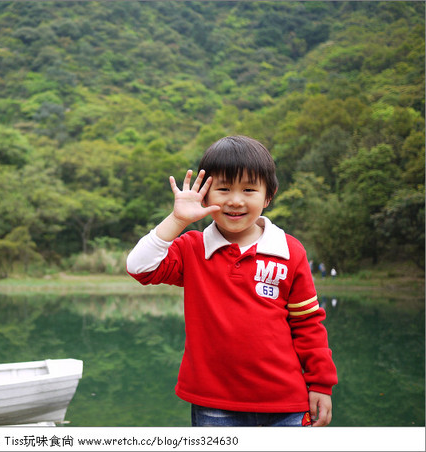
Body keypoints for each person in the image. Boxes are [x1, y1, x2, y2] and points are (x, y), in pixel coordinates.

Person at [127, 135, 337, 427]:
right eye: (223, 189)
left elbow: (308, 324)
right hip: (214, 404)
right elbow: (139, 267)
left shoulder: (290, 251)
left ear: (268, 195)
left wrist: (321, 385)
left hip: (285, 402)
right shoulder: (193, 248)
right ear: (205, 195)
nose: (235, 200)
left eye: (249, 189)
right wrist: (177, 219)